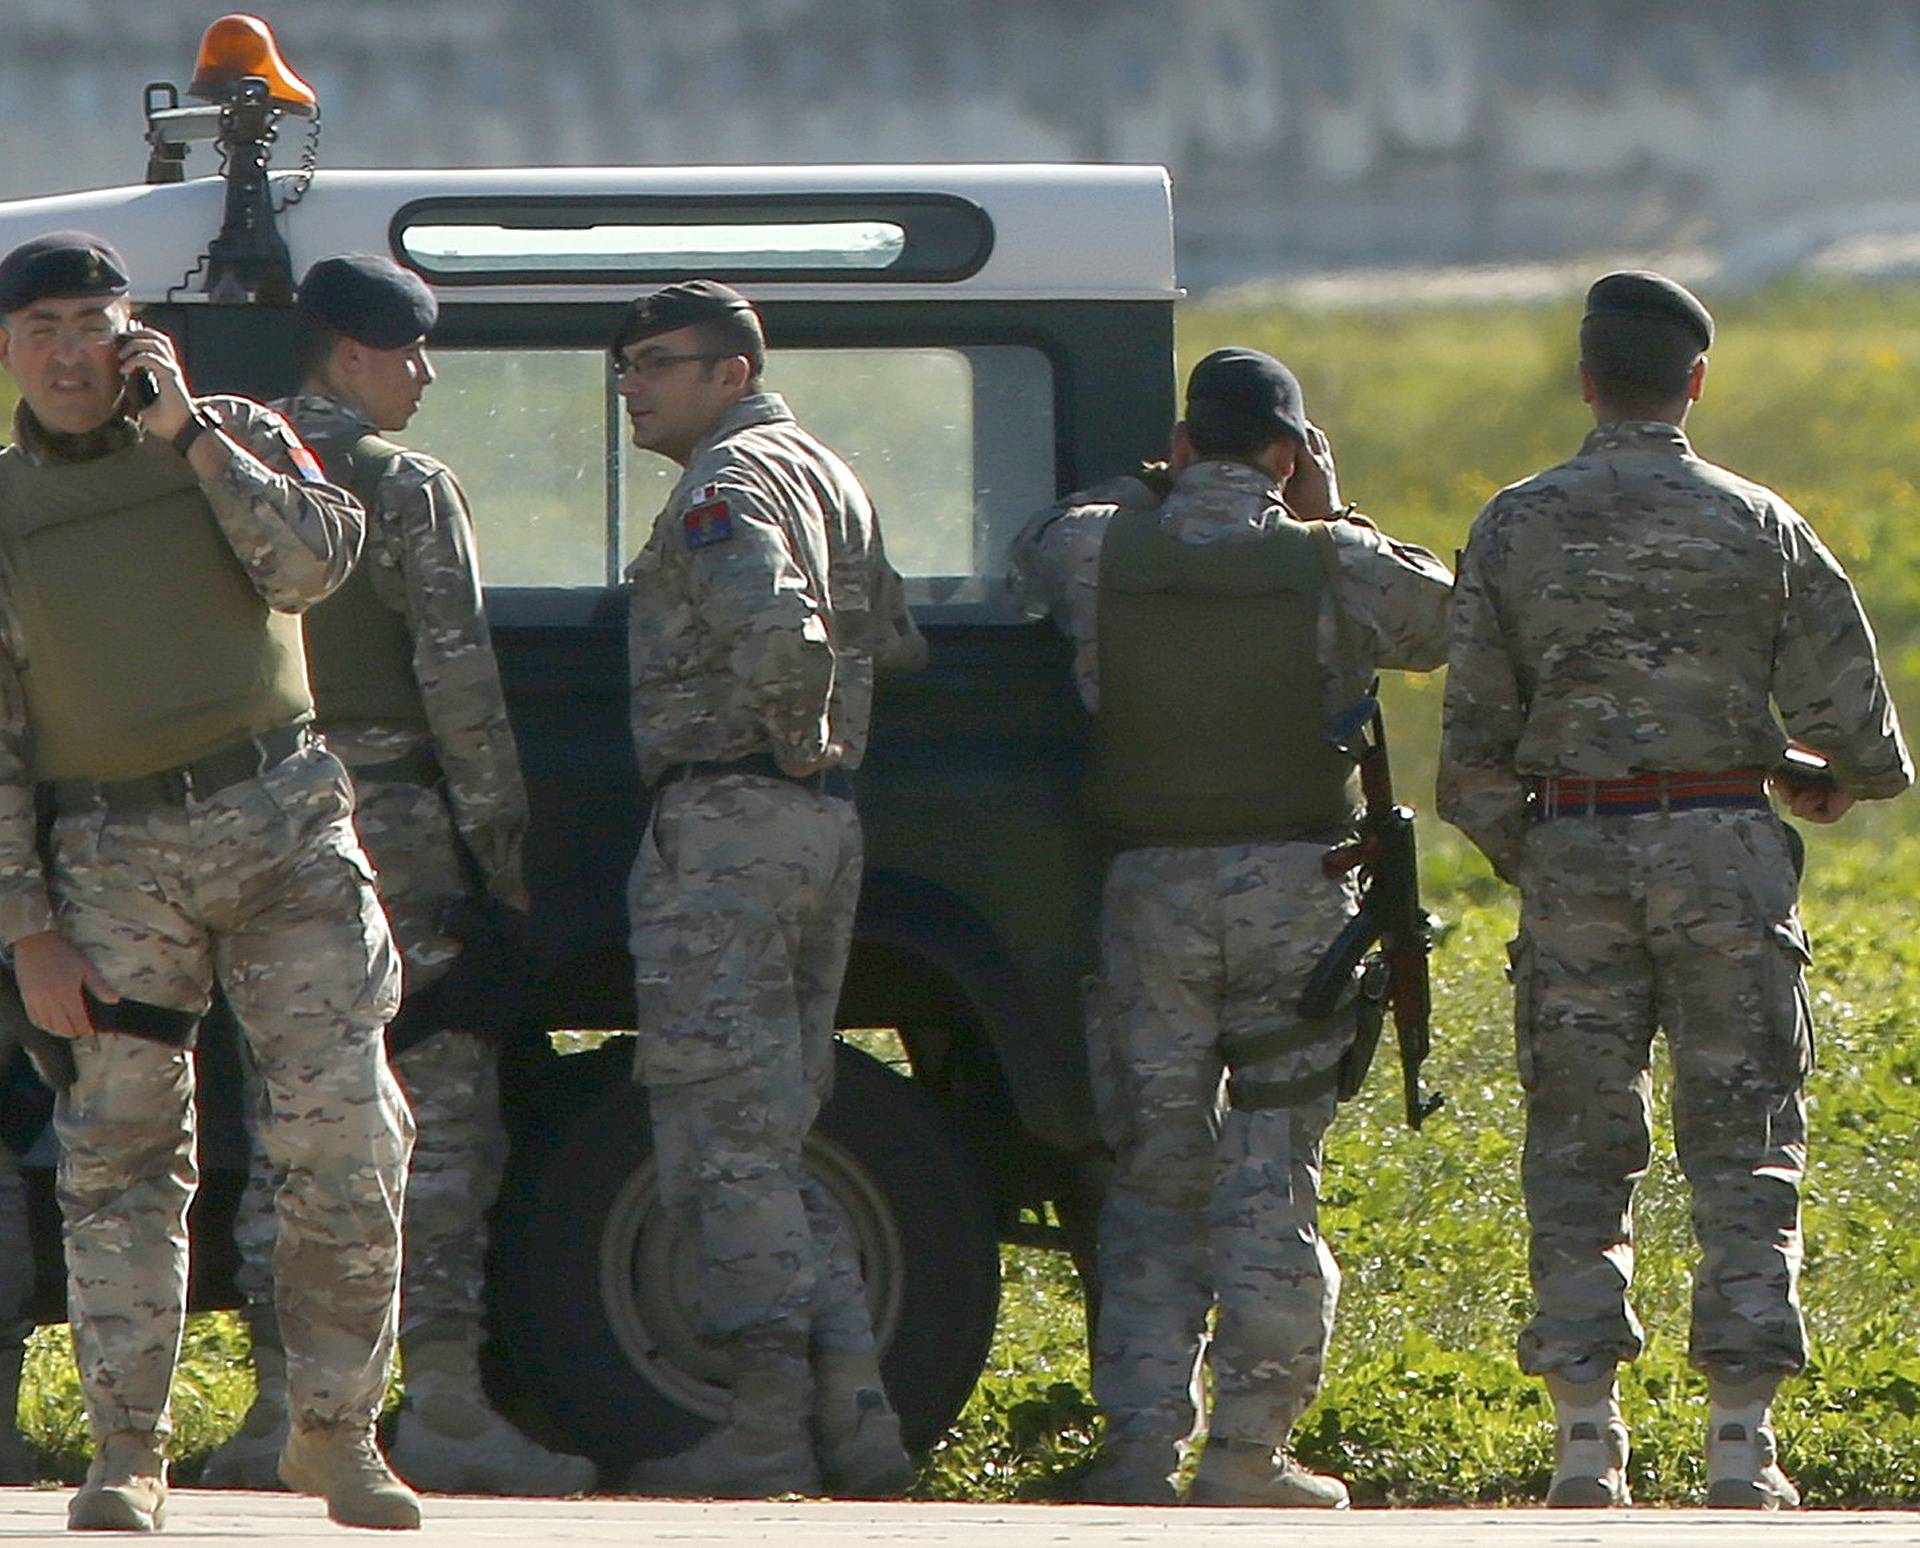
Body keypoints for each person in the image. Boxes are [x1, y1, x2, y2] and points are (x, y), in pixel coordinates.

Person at [1438, 271, 1912, 1510]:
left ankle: (1586, 1440)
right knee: (1746, 1141)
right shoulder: (1758, 522)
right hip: (1722, 852)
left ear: (1587, 379)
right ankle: (1740, 1442)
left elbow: (1473, 756)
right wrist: (1806, 782)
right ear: (1692, 382)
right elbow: (1862, 741)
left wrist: (1545, 854)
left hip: (1576, 854)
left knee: (1579, 1147)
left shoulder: (1512, 525)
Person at [0, 231, 420, 1531]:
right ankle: (127, 1453)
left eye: (96, 323)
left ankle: (336, 1436)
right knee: (121, 1157)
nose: (75, 354)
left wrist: (189, 432)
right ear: (10, 350)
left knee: (345, 1141)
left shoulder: (227, 435)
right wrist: (28, 931)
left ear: (136, 336)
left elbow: (314, 562)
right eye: (45, 327)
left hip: (282, 826)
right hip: (114, 858)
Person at [1012, 349, 1453, 1507]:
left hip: (1149, 893)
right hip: (1297, 891)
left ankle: (1139, 1448)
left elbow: (1037, 542)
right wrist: (1327, 508)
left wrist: (1166, 489)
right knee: (1272, 1171)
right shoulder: (1339, 560)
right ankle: (1250, 1455)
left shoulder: (1096, 542)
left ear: (1187, 442)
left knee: (1156, 1170)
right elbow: (1444, 622)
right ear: (1290, 451)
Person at [200, 256, 595, 1497]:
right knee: (438, 1107)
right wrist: (505, 867)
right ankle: (449, 1401)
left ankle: (281, 1405)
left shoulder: (218, 467)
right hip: (397, 832)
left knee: (289, 1113)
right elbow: (460, 691)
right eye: (410, 351)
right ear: (350, 353)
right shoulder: (400, 486)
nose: (422, 375)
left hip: (255, 815)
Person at [617, 279, 925, 1498]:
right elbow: (891, 633)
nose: (631, 384)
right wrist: (821, 754)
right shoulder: (824, 469)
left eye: (655, 362)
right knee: (777, 1123)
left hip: (736, 818)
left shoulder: (724, 487)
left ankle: (763, 1425)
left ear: (730, 372)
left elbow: (786, 632)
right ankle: (853, 1408)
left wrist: (790, 737)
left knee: (721, 1133)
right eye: (627, 363)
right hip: (815, 827)